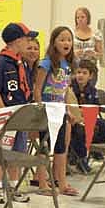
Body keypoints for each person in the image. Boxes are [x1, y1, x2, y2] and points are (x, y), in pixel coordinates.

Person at [0, 23, 39, 204]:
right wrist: (4, 113)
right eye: (27, 39)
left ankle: (14, 186)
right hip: (7, 114)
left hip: (22, 113)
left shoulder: (22, 62)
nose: (29, 42)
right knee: (2, 151)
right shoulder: (0, 62)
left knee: (18, 152)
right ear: (17, 41)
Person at [34, 26, 79, 196]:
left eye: (69, 39)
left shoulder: (69, 65)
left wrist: (68, 110)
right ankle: (42, 183)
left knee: (61, 147)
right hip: (46, 110)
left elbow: (65, 90)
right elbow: (37, 89)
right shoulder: (45, 63)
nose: (66, 43)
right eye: (62, 39)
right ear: (54, 42)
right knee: (44, 146)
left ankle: (62, 183)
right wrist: (39, 109)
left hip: (60, 110)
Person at [69, 60, 105, 174]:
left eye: (84, 73)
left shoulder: (92, 90)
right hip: (74, 119)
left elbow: (95, 107)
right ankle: (80, 159)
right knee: (80, 129)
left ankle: (95, 149)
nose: (80, 75)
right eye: (78, 72)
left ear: (90, 76)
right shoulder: (70, 89)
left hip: (89, 117)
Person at [73, 7, 103, 77]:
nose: (80, 20)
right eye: (78, 18)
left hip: (91, 68)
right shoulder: (71, 33)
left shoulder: (96, 34)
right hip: (75, 67)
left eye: (82, 17)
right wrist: (74, 54)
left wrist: (93, 54)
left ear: (87, 18)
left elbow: (100, 54)